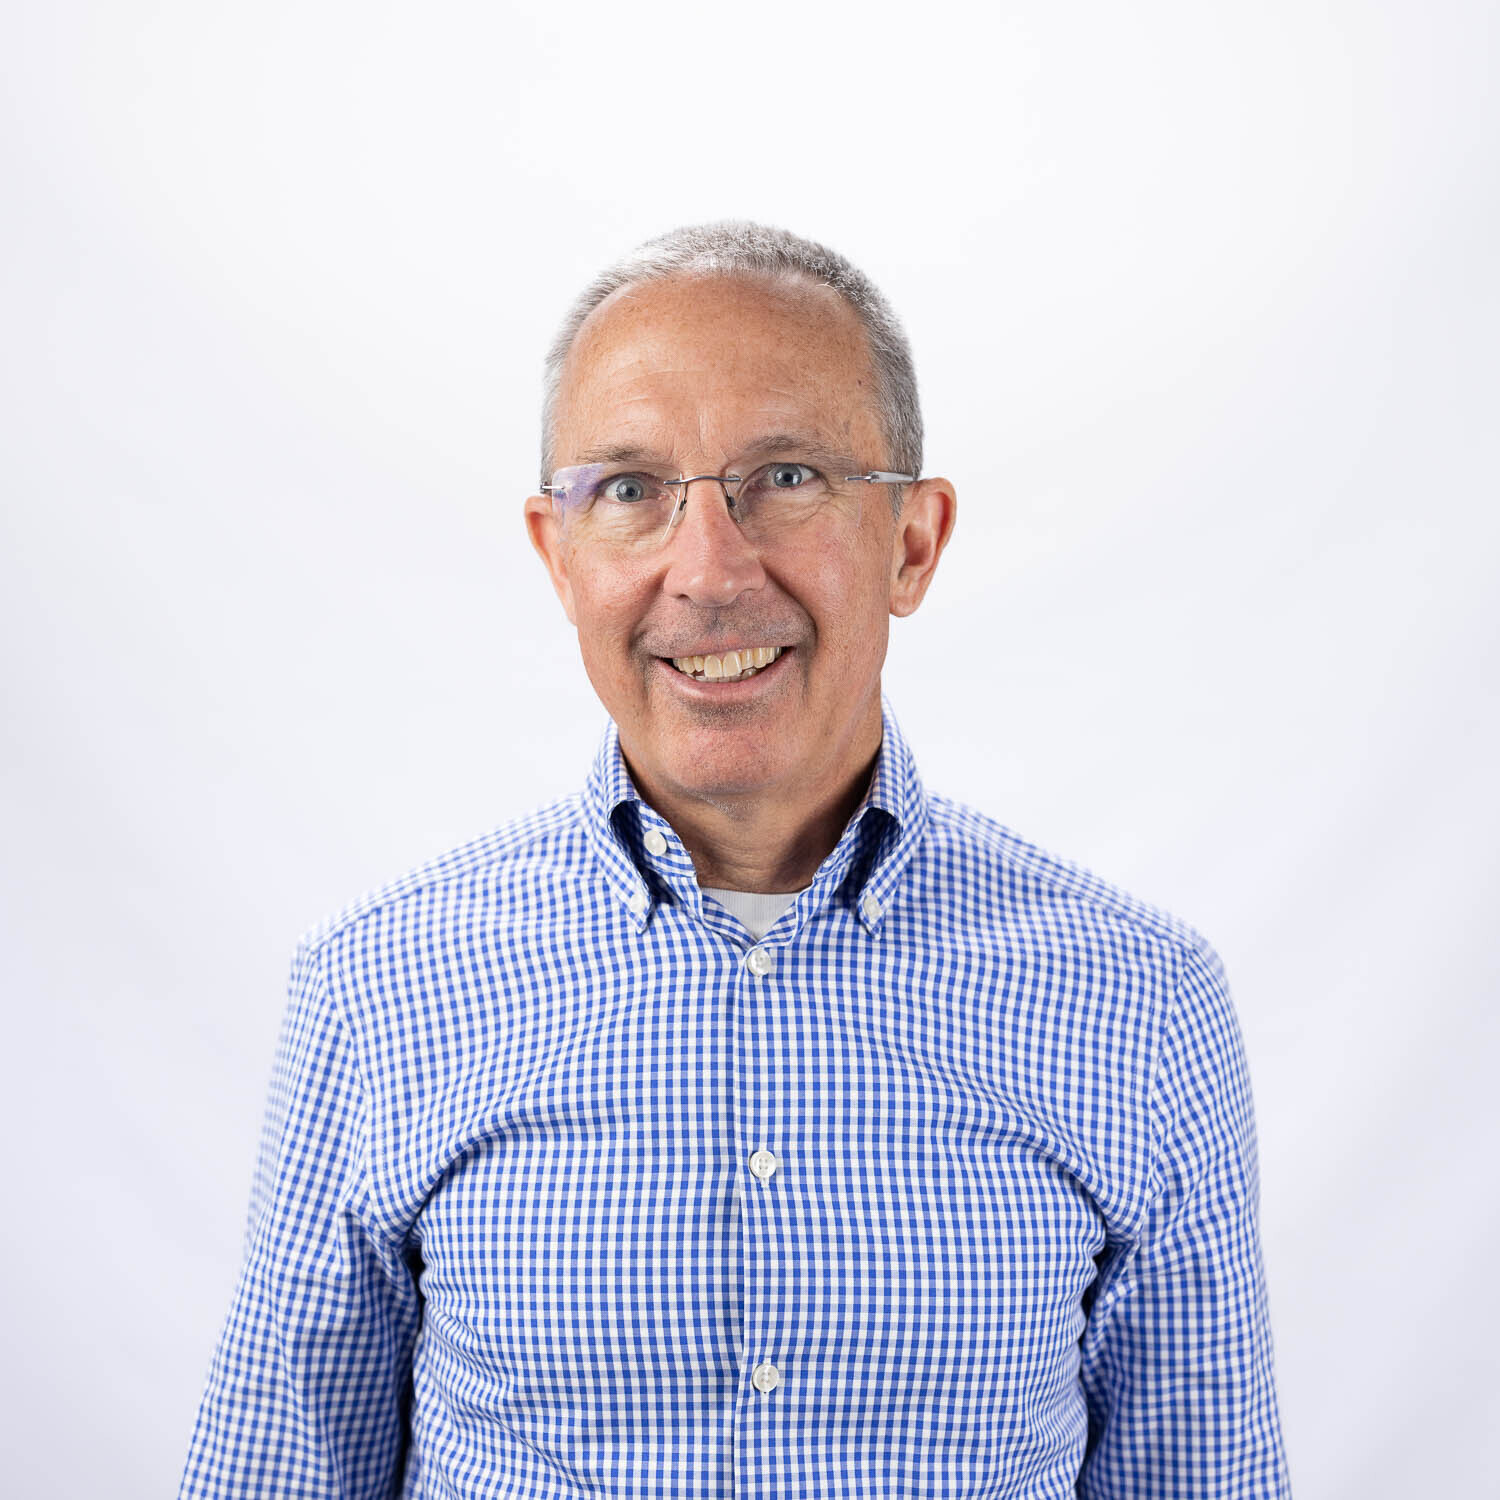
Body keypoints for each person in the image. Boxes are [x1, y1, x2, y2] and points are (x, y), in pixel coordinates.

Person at [177, 220, 1292, 1498]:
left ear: (913, 543)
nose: (707, 572)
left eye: (787, 476)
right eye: (629, 490)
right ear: (559, 555)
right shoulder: (378, 989)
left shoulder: (1141, 1004)